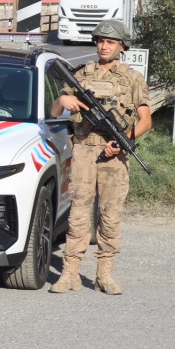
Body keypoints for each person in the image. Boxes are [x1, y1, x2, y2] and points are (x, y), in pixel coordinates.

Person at [49, 19, 151, 295]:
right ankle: (69, 273)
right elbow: (55, 112)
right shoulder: (80, 75)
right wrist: (62, 102)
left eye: (111, 42)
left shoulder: (131, 78)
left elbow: (145, 120)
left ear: (121, 47)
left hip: (115, 155)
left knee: (110, 214)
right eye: (101, 41)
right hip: (83, 149)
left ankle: (104, 274)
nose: (104, 46)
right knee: (79, 212)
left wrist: (123, 143)